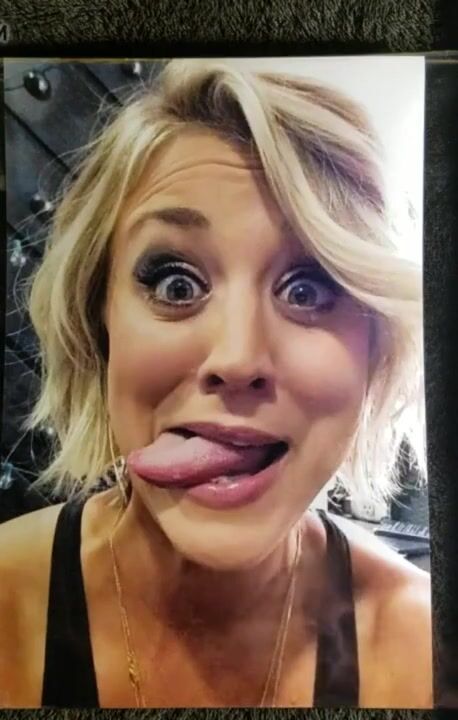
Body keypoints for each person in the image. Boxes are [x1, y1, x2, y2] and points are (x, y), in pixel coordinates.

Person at [0, 59, 431, 708]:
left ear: (375, 349)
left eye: (308, 290)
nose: (237, 357)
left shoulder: (425, 649)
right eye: (177, 284)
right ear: (99, 327)